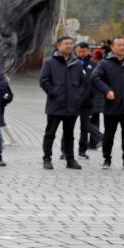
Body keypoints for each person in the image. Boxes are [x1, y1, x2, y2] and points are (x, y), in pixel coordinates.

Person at [91, 36, 124, 169]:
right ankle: (107, 159)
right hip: (112, 105)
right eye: (119, 45)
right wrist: (106, 91)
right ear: (112, 47)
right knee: (109, 133)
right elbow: (95, 77)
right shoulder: (104, 63)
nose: (122, 47)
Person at [39, 36, 85, 170]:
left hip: (72, 106)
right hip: (55, 104)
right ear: (59, 45)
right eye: (67, 44)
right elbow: (44, 80)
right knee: (50, 133)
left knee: (69, 134)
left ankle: (70, 159)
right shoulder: (49, 62)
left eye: (71, 44)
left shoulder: (76, 63)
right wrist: (54, 93)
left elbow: (83, 82)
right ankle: (47, 159)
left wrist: (78, 96)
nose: (70, 46)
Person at [75, 42, 102, 157]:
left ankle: (82, 150)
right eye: (79, 51)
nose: (81, 54)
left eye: (84, 51)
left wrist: (92, 95)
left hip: (87, 100)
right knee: (68, 126)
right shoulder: (73, 63)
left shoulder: (94, 65)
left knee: (84, 126)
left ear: (88, 51)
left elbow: (96, 82)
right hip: (72, 100)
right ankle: (65, 151)